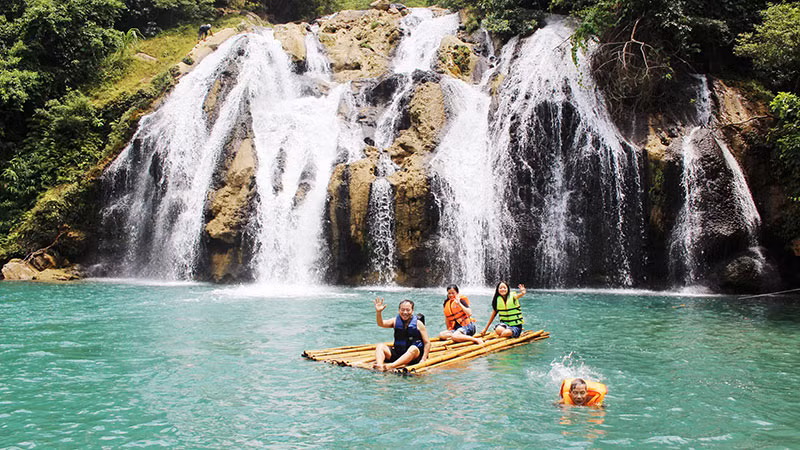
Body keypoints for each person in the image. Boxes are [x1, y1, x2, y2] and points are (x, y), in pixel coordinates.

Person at [373, 298, 430, 371]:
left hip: (413, 356)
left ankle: (391, 366)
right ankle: (380, 365)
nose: (405, 312)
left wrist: (423, 359)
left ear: (412, 311)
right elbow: (381, 324)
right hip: (398, 353)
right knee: (380, 346)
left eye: (408, 310)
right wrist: (378, 312)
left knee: (413, 348)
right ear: (399, 310)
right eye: (402, 310)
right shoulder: (395, 321)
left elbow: (427, 343)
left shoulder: (418, 324)